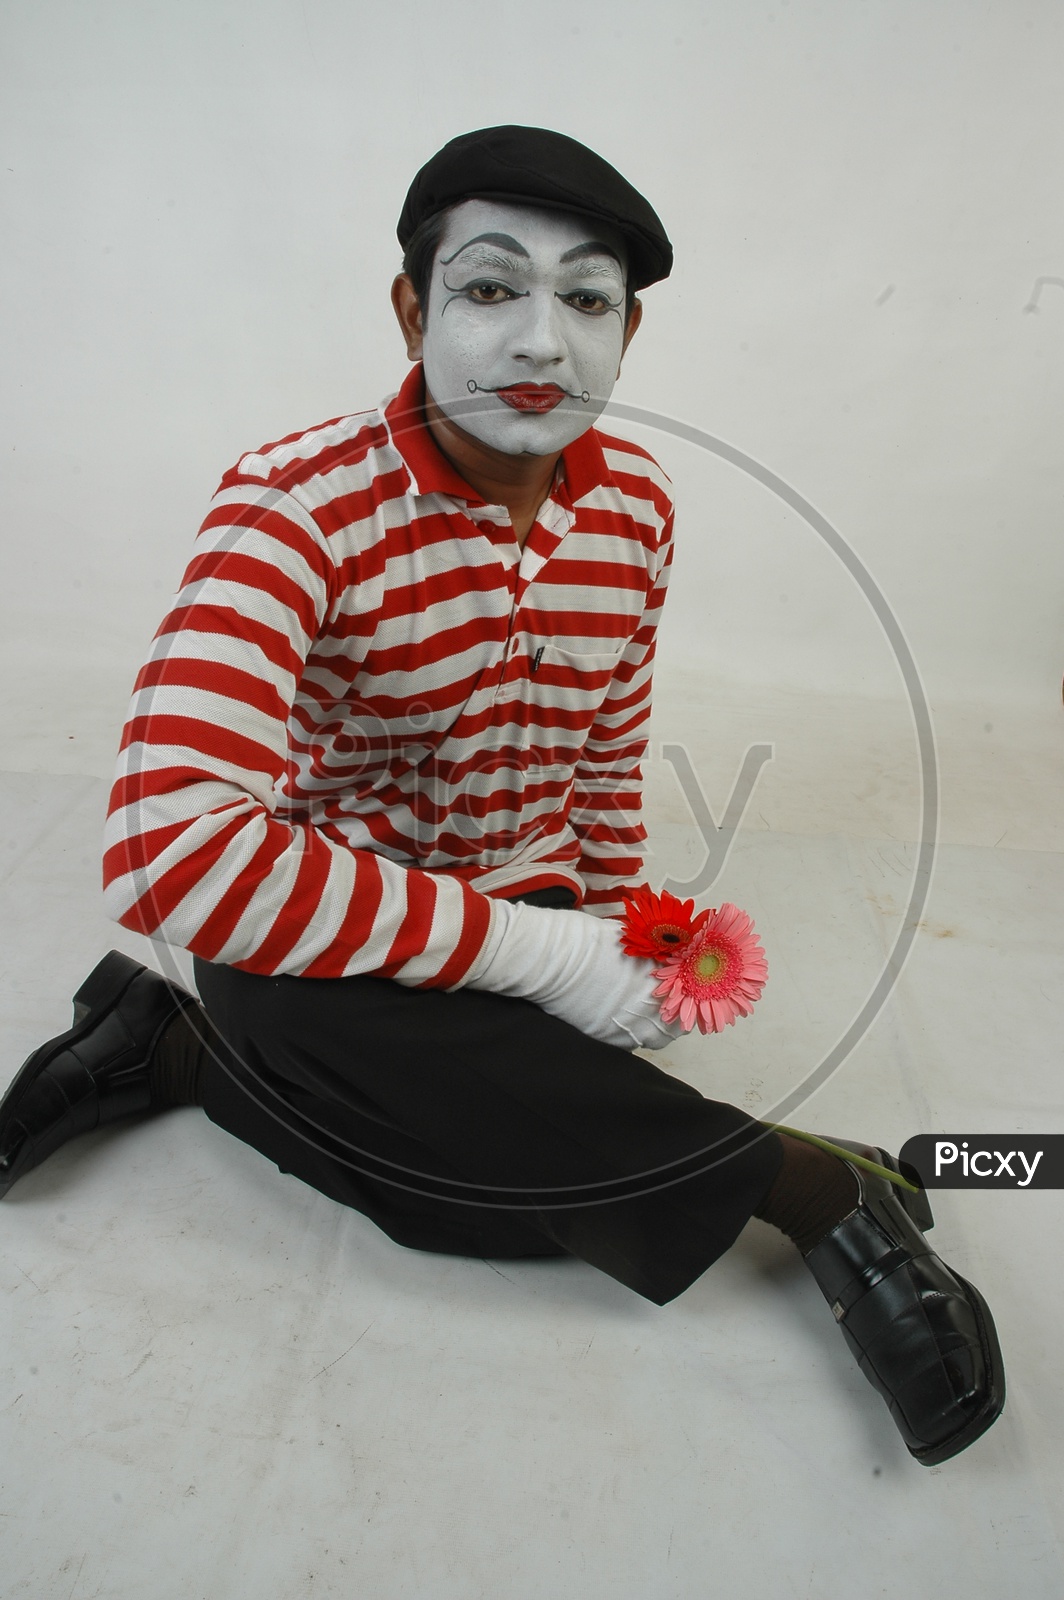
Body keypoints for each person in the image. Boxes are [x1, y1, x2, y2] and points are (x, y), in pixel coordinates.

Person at [0, 126, 1003, 1465]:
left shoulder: (636, 505)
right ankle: (817, 1189)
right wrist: (539, 960)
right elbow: (168, 847)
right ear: (413, 310)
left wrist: (615, 931)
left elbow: (606, 737)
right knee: (328, 1030)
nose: (542, 343)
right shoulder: (290, 507)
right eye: (488, 290)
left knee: (462, 1194)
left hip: (520, 903)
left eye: (586, 300)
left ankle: (169, 1050)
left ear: (628, 333)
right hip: (339, 936)